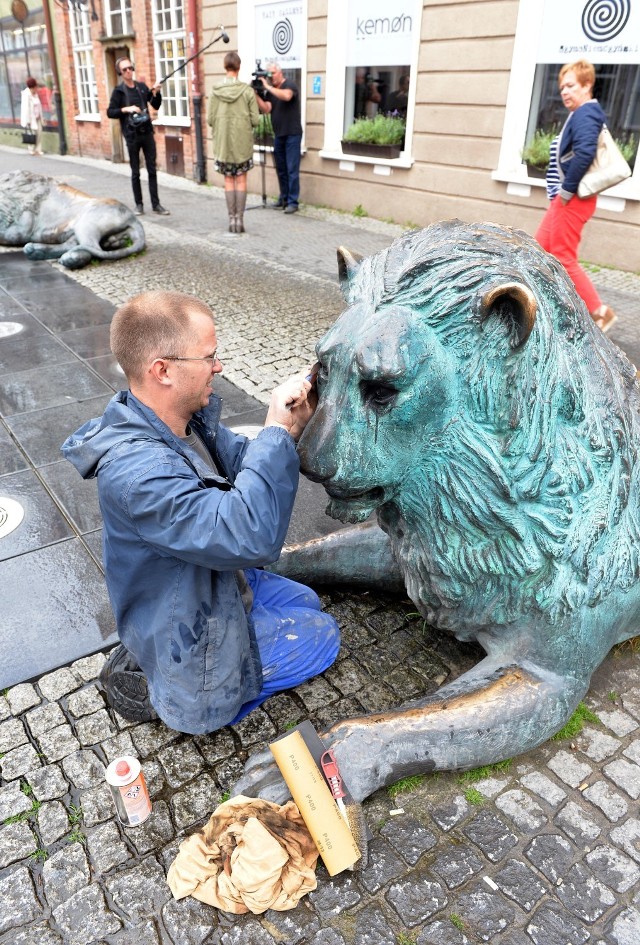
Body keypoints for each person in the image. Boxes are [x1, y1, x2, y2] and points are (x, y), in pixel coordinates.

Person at [61, 291, 340, 735]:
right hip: (192, 626)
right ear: (163, 370)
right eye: (209, 356)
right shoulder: (141, 475)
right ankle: (189, 700)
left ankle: (156, 656)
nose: (219, 367)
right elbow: (249, 533)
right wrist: (273, 430)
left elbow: (248, 463)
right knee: (323, 636)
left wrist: (289, 430)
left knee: (305, 601)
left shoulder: (180, 423)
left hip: (209, 585)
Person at [534, 59, 616, 333]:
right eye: (561, 87)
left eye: (570, 86)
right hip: (566, 197)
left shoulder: (586, 113)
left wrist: (567, 191)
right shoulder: (580, 113)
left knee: (563, 256)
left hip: (574, 197)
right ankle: (539, 301)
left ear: (587, 85)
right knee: (538, 249)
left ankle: (600, 312)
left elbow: (584, 154)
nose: (564, 92)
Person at [107, 57, 170, 216]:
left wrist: (156, 92)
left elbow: (155, 104)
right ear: (120, 73)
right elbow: (110, 112)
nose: (128, 71)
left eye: (130, 68)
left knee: (152, 170)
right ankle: (139, 204)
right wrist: (126, 109)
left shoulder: (141, 88)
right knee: (135, 172)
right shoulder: (119, 91)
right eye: (125, 69)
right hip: (132, 135)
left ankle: (156, 205)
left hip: (147, 133)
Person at [208, 51, 260, 234]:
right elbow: (256, 121)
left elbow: (209, 119)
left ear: (225, 67)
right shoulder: (247, 91)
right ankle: (240, 219)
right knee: (241, 179)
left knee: (229, 179)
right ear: (239, 67)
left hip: (223, 143)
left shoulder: (215, 91)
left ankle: (231, 220)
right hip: (242, 143)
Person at [256, 61, 302, 213]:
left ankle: (293, 202)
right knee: (281, 168)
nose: (270, 77)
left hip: (292, 134)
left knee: (291, 169)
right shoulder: (271, 91)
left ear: (280, 72)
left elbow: (287, 97)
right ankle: (284, 198)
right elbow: (267, 109)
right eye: (268, 74)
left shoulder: (290, 85)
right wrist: (255, 95)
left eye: (272, 73)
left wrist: (268, 87)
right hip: (279, 134)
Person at [21, 77, 43, 156]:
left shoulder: (36, 94)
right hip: (31, 119)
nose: (36, 88)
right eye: (35, 87)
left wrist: (41, 117)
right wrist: (28, 121)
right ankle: (31, 149)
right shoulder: (26, 95)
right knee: (32, 134)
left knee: (39, 133)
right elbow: (25, 109)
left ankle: (38, 149)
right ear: (32, 87)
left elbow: (39, 106)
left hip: (38, 118)